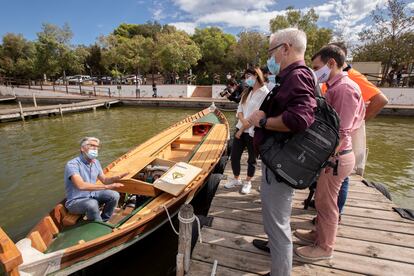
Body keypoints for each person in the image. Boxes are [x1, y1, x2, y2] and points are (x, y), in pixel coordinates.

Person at [248, 28, 317, 276]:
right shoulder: (295, 76)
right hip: (277, 162)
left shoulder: (297, 76)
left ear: (285, 48)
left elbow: (300, 118)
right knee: (275, 223)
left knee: (278, 226)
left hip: (280, 166)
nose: (270, 59)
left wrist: (263, 122)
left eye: (271, 52)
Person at [294, 45, 365, 261]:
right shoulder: (335, 87)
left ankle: (325, 248)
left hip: (336, 157)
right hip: (334, 156)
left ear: (331, 63)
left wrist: (326, 157)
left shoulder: (343, 89)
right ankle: (318, 235)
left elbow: (341, 131)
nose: (314, 72)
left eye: (317, 67)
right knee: (323, 200)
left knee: (327, 204)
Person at [325, 42, 388, 218]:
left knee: (342, 176)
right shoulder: (333, 79)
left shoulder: (351, 77)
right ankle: (326, 214)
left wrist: (355, 122)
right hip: (333, 134)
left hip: (343, 135)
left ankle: (336, 214)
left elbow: (380, 100)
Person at [224, 67, 269, 194]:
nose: (246, 79)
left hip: (252, 131)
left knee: (252, 159)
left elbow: (257, 114)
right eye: (245, 77)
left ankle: (248, 182)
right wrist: (242, 122)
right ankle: (236, 178)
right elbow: (239, 109)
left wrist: (243, 127)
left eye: (248, 76)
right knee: (234, 156)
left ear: (256, 75)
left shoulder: (265, 93)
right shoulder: (247, 91)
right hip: (240, 127)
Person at [64, 137, 126, 222]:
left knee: (114, 195)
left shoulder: (96, 162)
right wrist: (107, 187)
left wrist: (116, 178)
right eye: (92, 145)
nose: (95, 148)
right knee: (92, 204)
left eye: (97, 146)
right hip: (76, 201)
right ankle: (97, 225)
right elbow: (80, 185)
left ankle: (104, 220)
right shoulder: (72, 164)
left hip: (92, 195)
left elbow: (104, 180)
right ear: (82, 148)